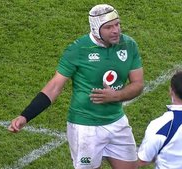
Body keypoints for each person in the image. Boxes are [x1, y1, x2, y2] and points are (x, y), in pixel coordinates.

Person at [8, 4, 144, 169]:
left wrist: (116, 96)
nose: (116, 30)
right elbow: (54, 87)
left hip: (117, 122)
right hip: (85, 129)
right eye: (109, 27)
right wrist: (25, 116)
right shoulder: (78, 49)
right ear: (95, 29)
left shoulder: (128, 45)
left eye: (117, 24)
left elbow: (138, 84)